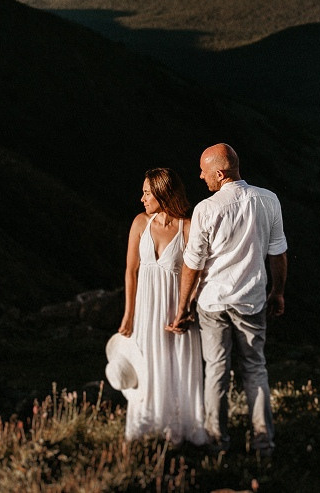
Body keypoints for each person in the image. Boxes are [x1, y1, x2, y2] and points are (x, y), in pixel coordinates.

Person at [168, 143, 287, 455]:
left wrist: (183, 308)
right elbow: (278, 252)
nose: (200, 176)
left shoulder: (206, 209)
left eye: (204, 171)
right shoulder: (268, 200)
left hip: (213, 302)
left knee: (217, 371)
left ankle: (218, 443)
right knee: (255, 369)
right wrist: (278, 291)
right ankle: (264, 444)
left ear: (219, 173)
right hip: (252, 299)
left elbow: (193, 265)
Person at [117, 168, 207, 445]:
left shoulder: (188, 227)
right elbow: (130, 271)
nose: (142, 198)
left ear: (162, 193)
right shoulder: (141, 223)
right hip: (145, 311)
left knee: (175, 364)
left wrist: (188, 309)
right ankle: (146, 427)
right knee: (147, 364)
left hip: (174, 311)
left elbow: (200, 275)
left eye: (147, 192)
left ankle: (177, 430)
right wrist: (128, 315)